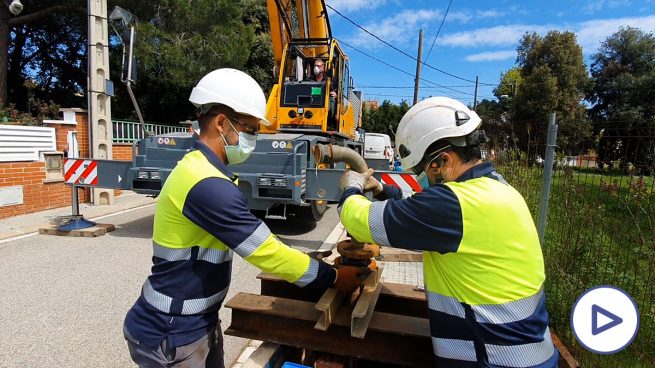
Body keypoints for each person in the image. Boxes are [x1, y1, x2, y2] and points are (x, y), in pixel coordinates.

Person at [123, 68, 368, 368]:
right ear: (222, 123)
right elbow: (266, 252)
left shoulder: (203, 170)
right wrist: (331, 277)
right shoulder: (206, 184)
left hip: (195, 324)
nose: (253, 139)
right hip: (171, 333)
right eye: (250, 130)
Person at [337, 96, 558, 367]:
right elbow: (422, 205)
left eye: (423, 171)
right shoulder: (498, 188)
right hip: (527, 353)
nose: (422, 178)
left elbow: (358, 219)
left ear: (442, 161)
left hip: (493, 360)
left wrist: (351, 188)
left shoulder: (455, 206)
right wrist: (384, 190)